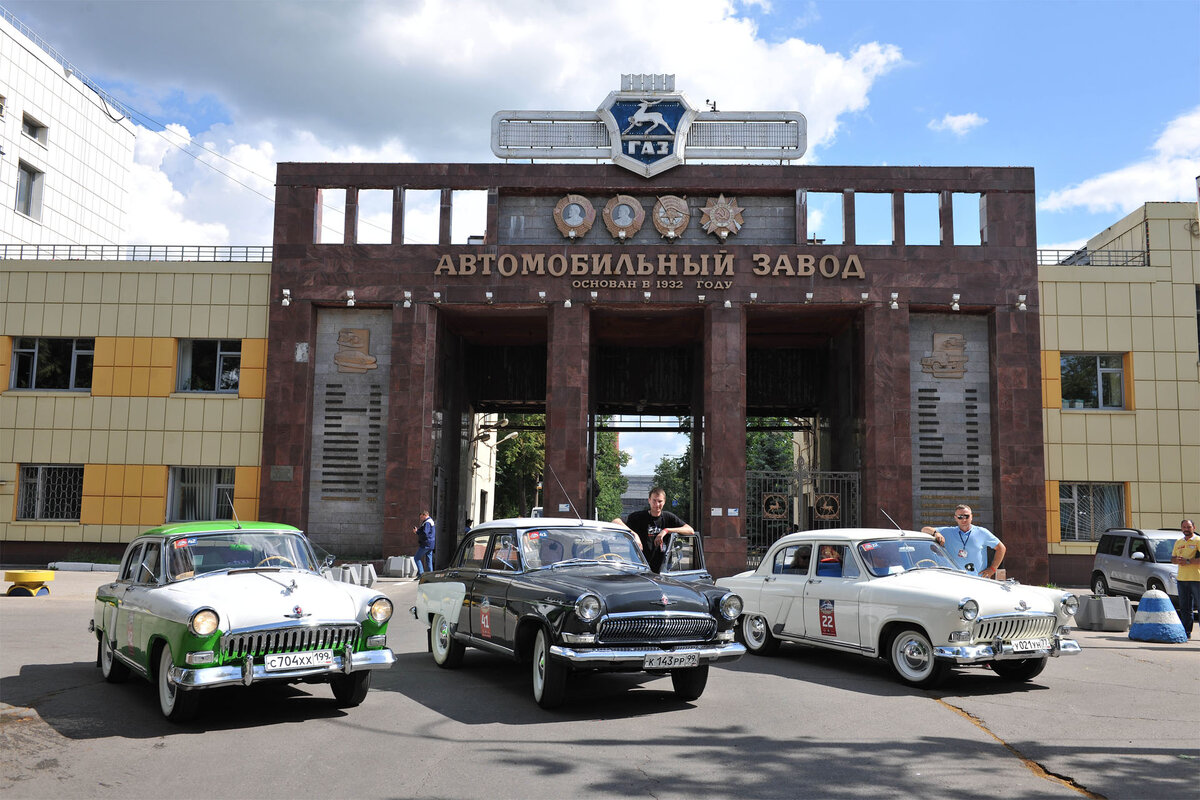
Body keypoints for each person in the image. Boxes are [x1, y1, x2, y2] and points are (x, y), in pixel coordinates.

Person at [613, 486, 694, 572]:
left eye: (660, 501)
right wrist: (634, 534)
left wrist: (666, 530)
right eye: (654, 500)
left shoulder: (668, 517)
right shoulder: (639, 517)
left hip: (663, 569)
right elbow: (615, 521)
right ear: (649, 500)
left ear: (664, 502)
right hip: (641, 567)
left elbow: (690, 530)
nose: (657, 504)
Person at [922, 505, 1006, 577]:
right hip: (955, 579)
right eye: (960, 517)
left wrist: (992, 569)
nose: (964, 519)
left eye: (966, 516)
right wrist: (936, 533)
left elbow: (1001, 548)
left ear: (972, 516)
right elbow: (924, 529)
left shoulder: (982, 532)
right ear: (955, 518)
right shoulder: (948, 532)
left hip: (978, 579)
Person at [1170, 518, 1198, 638]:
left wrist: (1188, 561)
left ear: (1194, 528)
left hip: (1197, 579)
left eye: (1189, 527)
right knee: (1185, 607)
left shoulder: (1198, 540)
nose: (1186, 529)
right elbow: (1172, 558)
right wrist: (1177, 560)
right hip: (1182, 579)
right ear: (1181, 528)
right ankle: (1186, 632)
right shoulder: (1179, 542)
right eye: (1184, 527)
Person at [413, 510, 435, 576]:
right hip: (431, 544)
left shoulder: (427, 522)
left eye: (422, 517)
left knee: (416, 558)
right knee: (429, 560)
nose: (421, 519)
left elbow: (425, 533)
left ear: (425, 515)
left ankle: (421, 574)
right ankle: (431, 575)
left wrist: (417, 532)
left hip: (425, 544)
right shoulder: (430, 521)